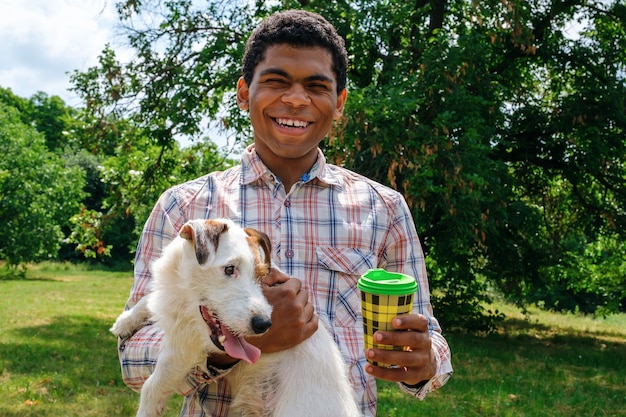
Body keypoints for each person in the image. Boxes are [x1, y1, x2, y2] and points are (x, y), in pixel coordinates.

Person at [116, 9, 452, 416]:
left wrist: (423, 362)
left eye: (316, 85)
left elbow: (429, 344)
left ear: (339, 101)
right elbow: (133, 358)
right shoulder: (183, 208)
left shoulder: (384, 210)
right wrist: (236, 346)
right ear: (244, 93)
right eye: (276, 81)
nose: (295, 98)